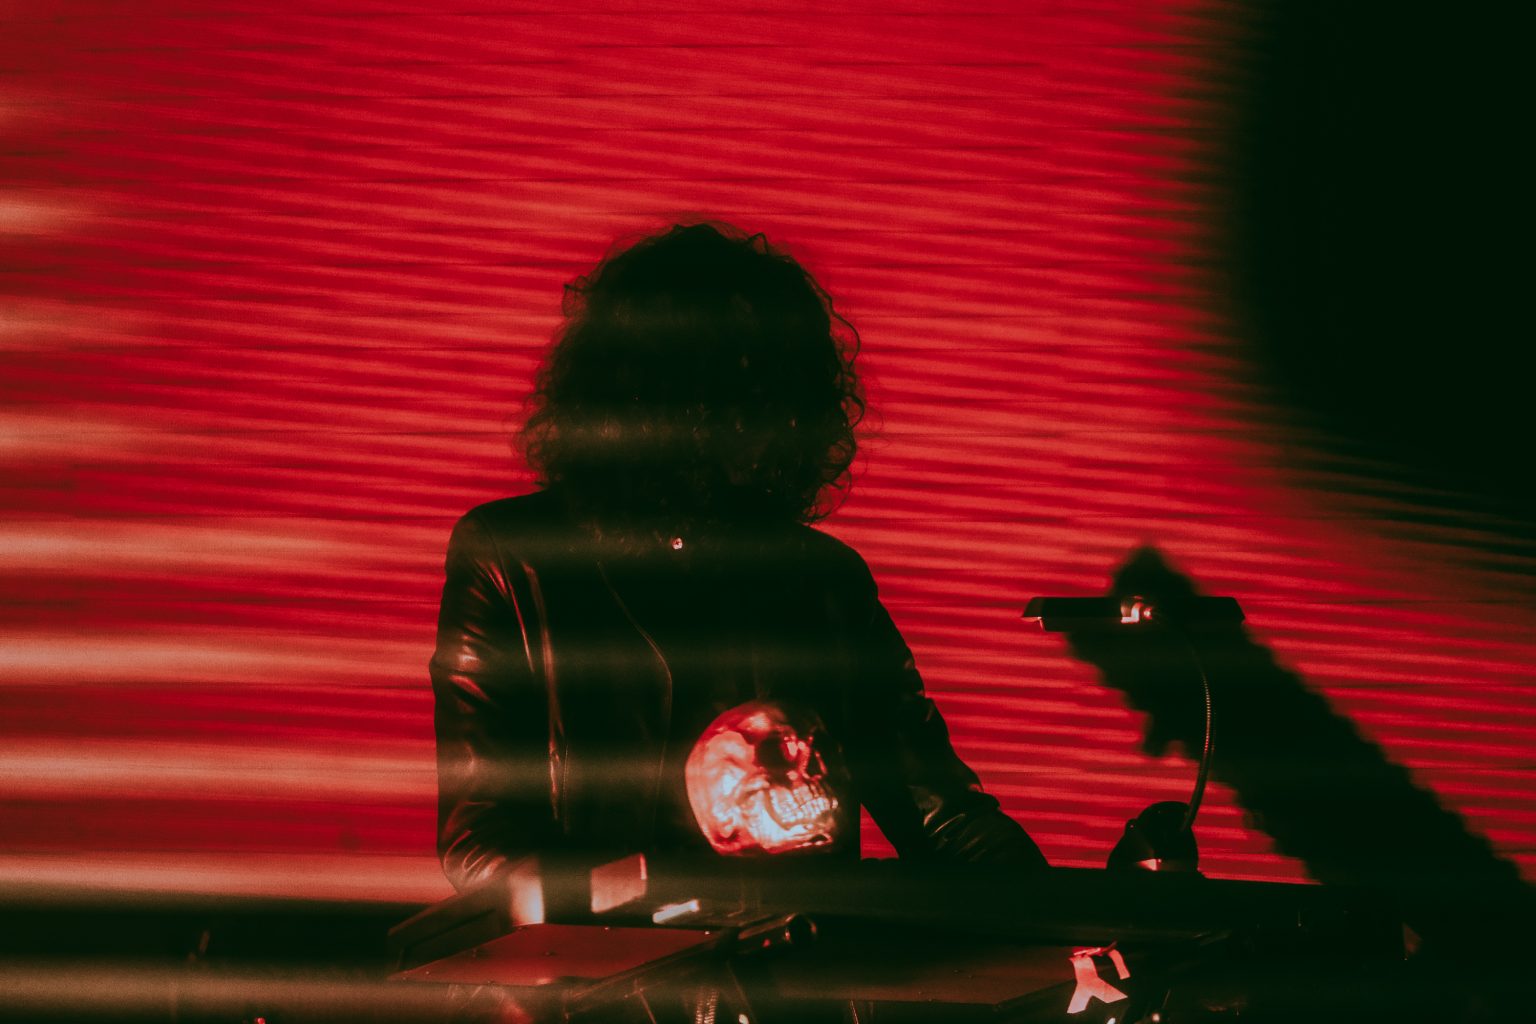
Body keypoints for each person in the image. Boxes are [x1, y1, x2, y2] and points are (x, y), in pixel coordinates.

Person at [430, 223, 1046, 893]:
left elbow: (942, 814)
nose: (766, 418)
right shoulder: (514, 556)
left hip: (796, 956)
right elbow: (481, 846)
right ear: (648, 390)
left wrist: (1068, 915)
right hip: (593, 959)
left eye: (783, 388)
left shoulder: (825, 581)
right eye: (735, 386)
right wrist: (652, 904)